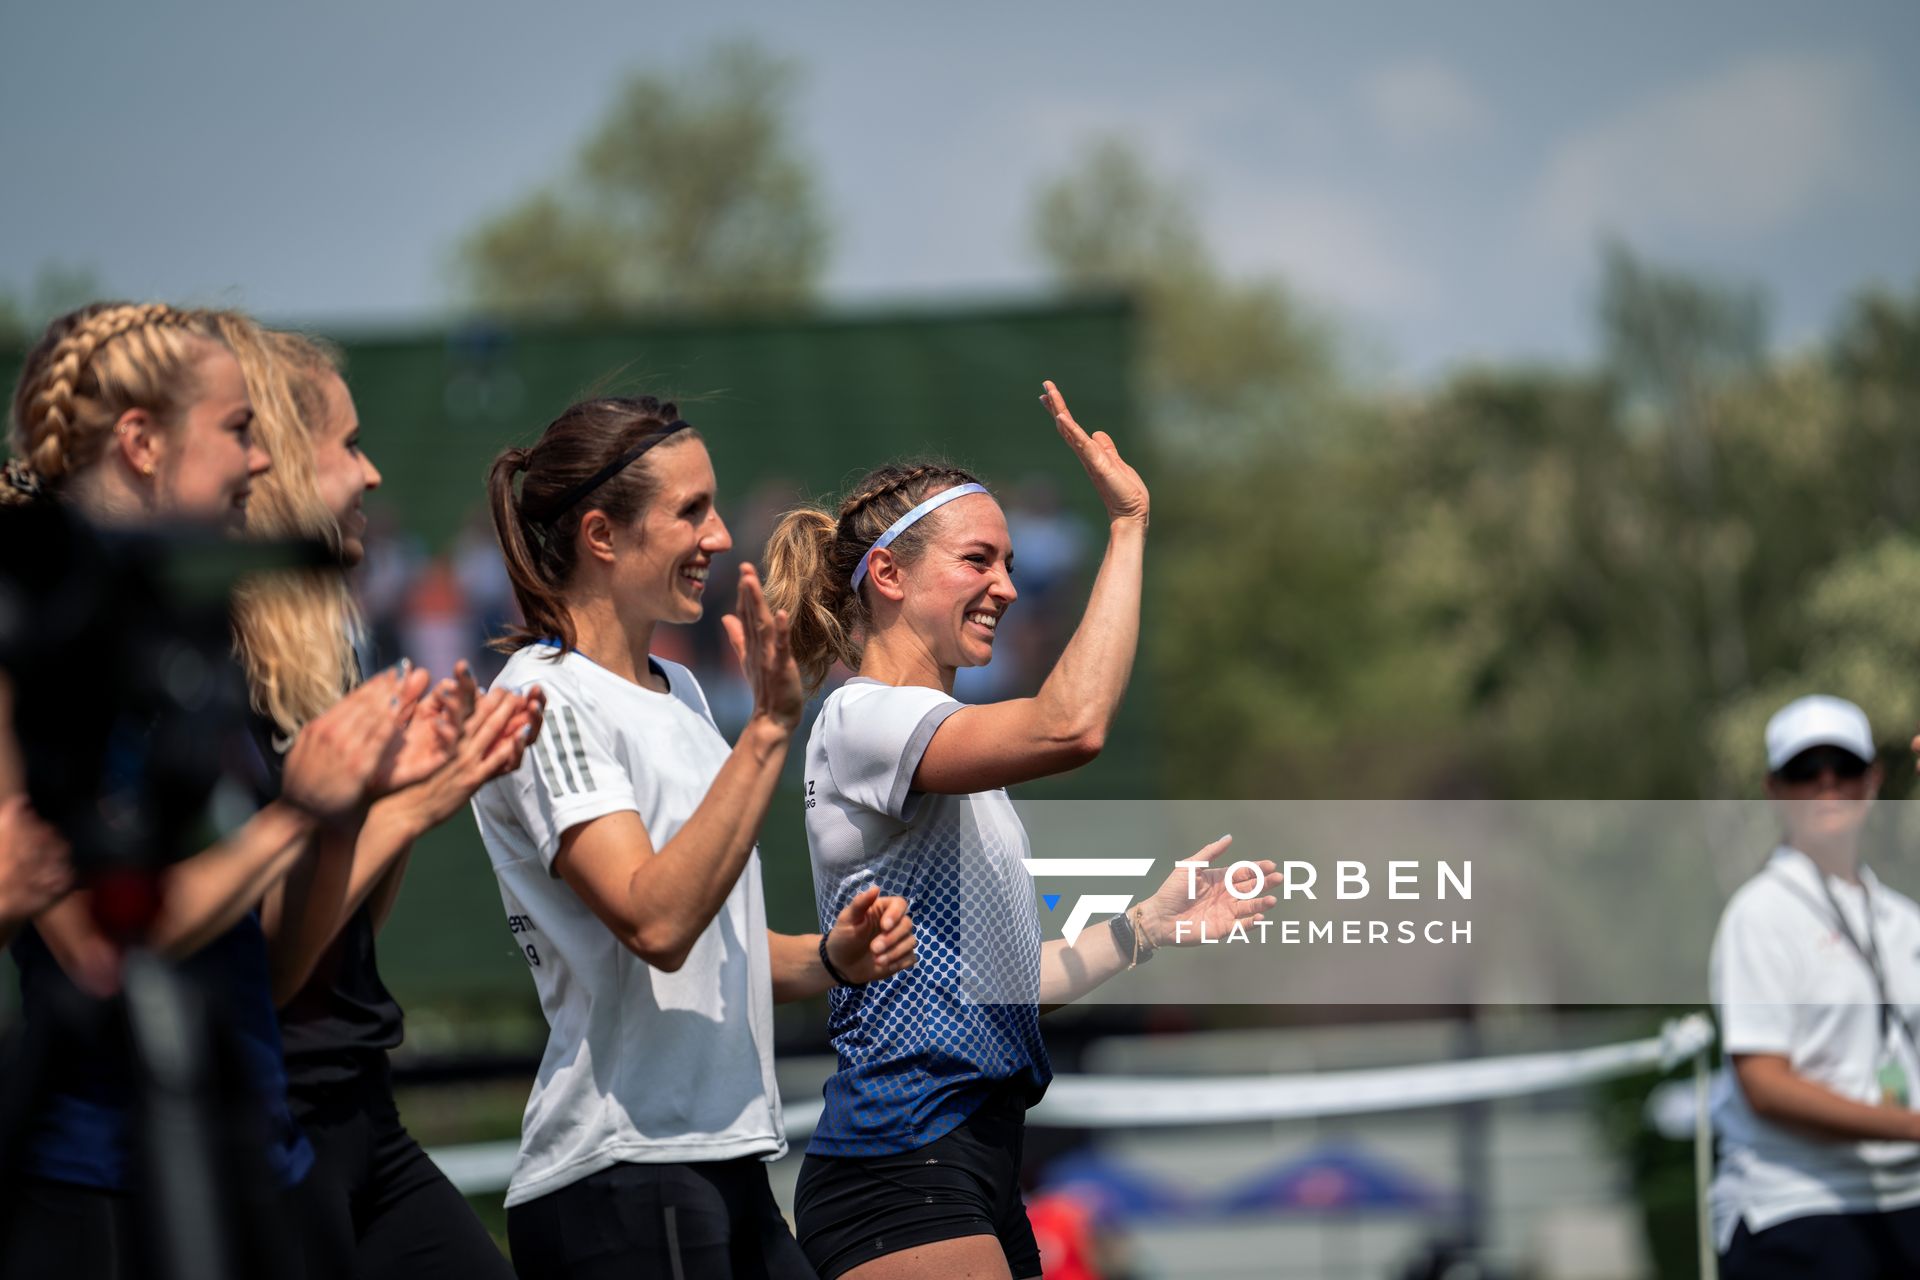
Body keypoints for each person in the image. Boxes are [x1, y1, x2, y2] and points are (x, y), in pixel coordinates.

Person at [761, 380, 1276, 1280]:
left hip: (974, 1162)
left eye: (1007, 562)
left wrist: (1142, 931)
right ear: (887, 575)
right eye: (977, 560)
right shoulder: (863, 719)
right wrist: (1128, 527)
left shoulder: (949, 759)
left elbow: (998, 984)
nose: (1005, 584)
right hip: (901, 1161)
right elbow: (1072, 724)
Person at [0, 301, 427, 1278]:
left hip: (256, 1152)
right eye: (238, 430)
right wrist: (297, 811)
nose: (263, 461)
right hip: (106, 1186)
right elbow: (103, 940)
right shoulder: (57, 656)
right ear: (143, 443)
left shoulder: (177, 646)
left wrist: (373, 804)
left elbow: (268, 962)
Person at [471, 396, 920, 1279]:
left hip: (721, 1166)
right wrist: (767, 732)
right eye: (691, 510)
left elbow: (719, 952)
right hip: (621, 1177)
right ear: (602, 534)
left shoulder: (677, 688)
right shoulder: (543, 701)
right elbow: (657, 924)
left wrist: (832, 958)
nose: (719, 536)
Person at [214, 313, 541, 1277]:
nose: (372, 475)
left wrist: (400, 806)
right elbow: (269, 971)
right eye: (348, 447)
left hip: (361, 1108)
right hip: (270, 1131)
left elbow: (341, 941)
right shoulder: (211, 668)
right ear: (266, 464)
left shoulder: (318, 651)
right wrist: (403, 805)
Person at [1711, 694, 1920, 1276]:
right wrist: (1909, 1126)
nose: (1827, 785)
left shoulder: (1901, 918)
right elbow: (1766, 1086)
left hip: (1904, 1198)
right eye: (1806, 772)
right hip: (1799, 1204)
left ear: (1873, 779)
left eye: (1844, 767)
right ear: (1774, 789)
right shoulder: (1759, 914)